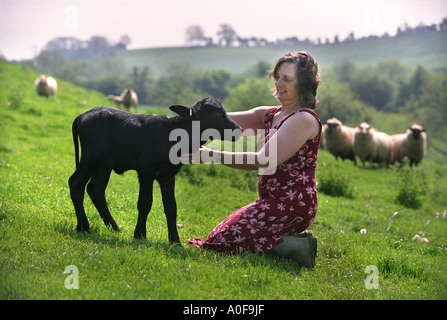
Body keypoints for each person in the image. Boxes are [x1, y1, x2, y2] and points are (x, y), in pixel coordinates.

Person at [186, 52, 321, 268]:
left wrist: (210, 154)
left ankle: (296, 247)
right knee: (217, 236)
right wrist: (185, 120)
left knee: (221, 242)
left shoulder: (303, 119)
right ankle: (290, 242)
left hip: (293, 205)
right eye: (277, 77)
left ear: (303, 84)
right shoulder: (270, 115)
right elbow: (222, 120)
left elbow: (264, 159)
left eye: (287, 79)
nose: (279, 83)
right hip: (270, 201)